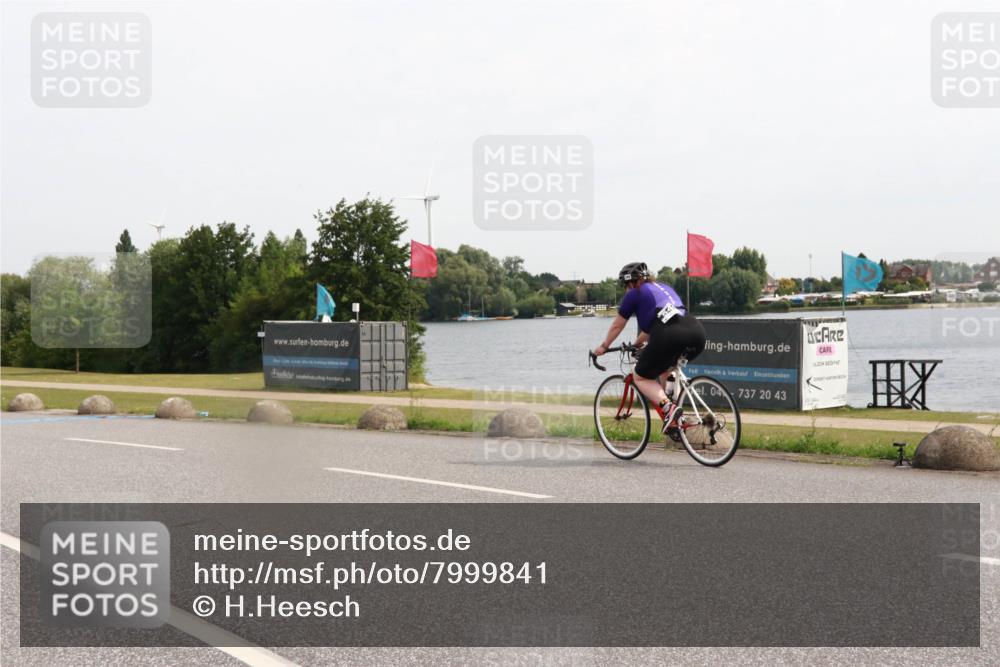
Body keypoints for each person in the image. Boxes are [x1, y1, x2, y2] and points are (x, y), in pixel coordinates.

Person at [591, 261, 707, 433]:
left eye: (625, 285)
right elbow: (649, 329)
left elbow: (618, 325)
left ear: (630, 282)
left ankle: (669, 408)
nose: (626, 290)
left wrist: (603, 347)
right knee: (664, 367)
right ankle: (675, 417)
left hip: (669, 334)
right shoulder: (664, 287)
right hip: (696, 332)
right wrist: (637, 344)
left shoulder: (634, 293)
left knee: (640, 377)